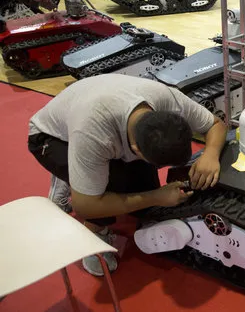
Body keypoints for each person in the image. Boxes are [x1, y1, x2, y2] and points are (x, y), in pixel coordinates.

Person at [27, 74, 228, 276]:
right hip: (51, 137)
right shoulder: (93, 135)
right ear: (135, 151)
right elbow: (85, 206)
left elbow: (215, 124)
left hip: (92, 107)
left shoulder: (167, 100)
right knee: (117, 185)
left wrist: (210, 154)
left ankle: (80, 174)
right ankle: (95, 232)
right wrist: (155, 196)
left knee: (141, 207)